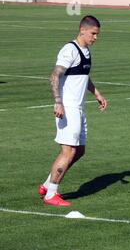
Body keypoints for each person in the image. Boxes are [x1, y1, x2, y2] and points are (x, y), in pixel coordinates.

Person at [38, 15, 107, 206]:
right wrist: (58, 102)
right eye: (93, 34)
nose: (95, 38)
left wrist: (97, 93)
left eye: (97, 34)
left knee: (80, 150)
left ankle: (46, 184)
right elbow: (54, 75)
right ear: (82, 30)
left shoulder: (86, 51)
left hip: (79, 108)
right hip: (67, 108)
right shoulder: (70, 50)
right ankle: (51, 194)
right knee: (68, 151)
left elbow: (84, 76)